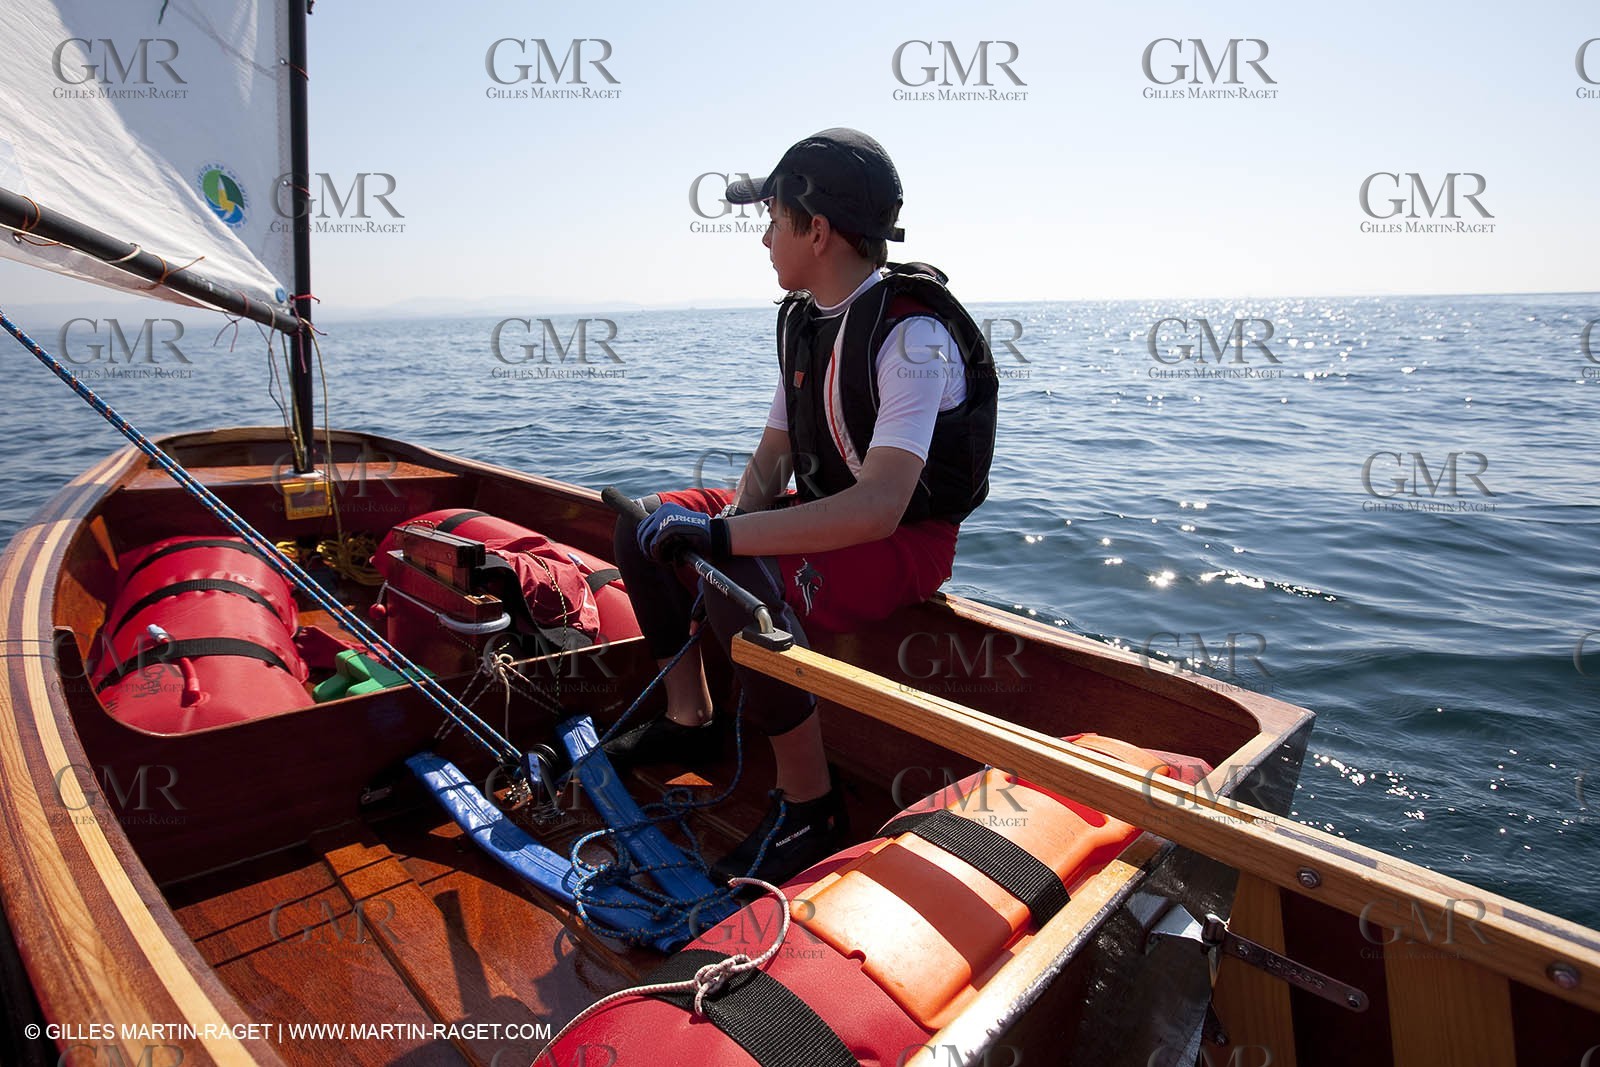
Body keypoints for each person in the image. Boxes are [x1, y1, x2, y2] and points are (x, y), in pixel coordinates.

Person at [609, 128, 998, 886]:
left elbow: (883, 506)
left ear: (816, 231)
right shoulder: (806, 320)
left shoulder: (912, 334)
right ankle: (691, 721)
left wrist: (724, 540)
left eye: (774, 220)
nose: (762, 238)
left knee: (735, 577)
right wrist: (705, 532)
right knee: (643, 524)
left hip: (904, 541)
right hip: (827, 510)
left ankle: (811, 803)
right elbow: (771, 462)